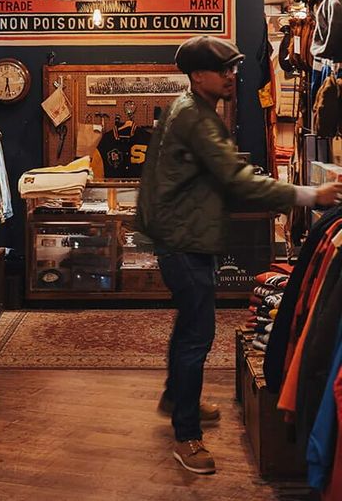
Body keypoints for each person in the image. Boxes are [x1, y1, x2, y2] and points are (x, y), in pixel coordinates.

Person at [137, 35, 342, 476]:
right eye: (223, 69)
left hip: (181, 237)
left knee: (189, 326)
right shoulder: (198, 119)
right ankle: (186, 435)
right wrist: (312, 193)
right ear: (197, 76)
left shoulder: (187, 108)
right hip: (185, 241)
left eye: (233, 68)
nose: (232, 75)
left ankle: (178, 397)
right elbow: (238, 180)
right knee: (197, 335)